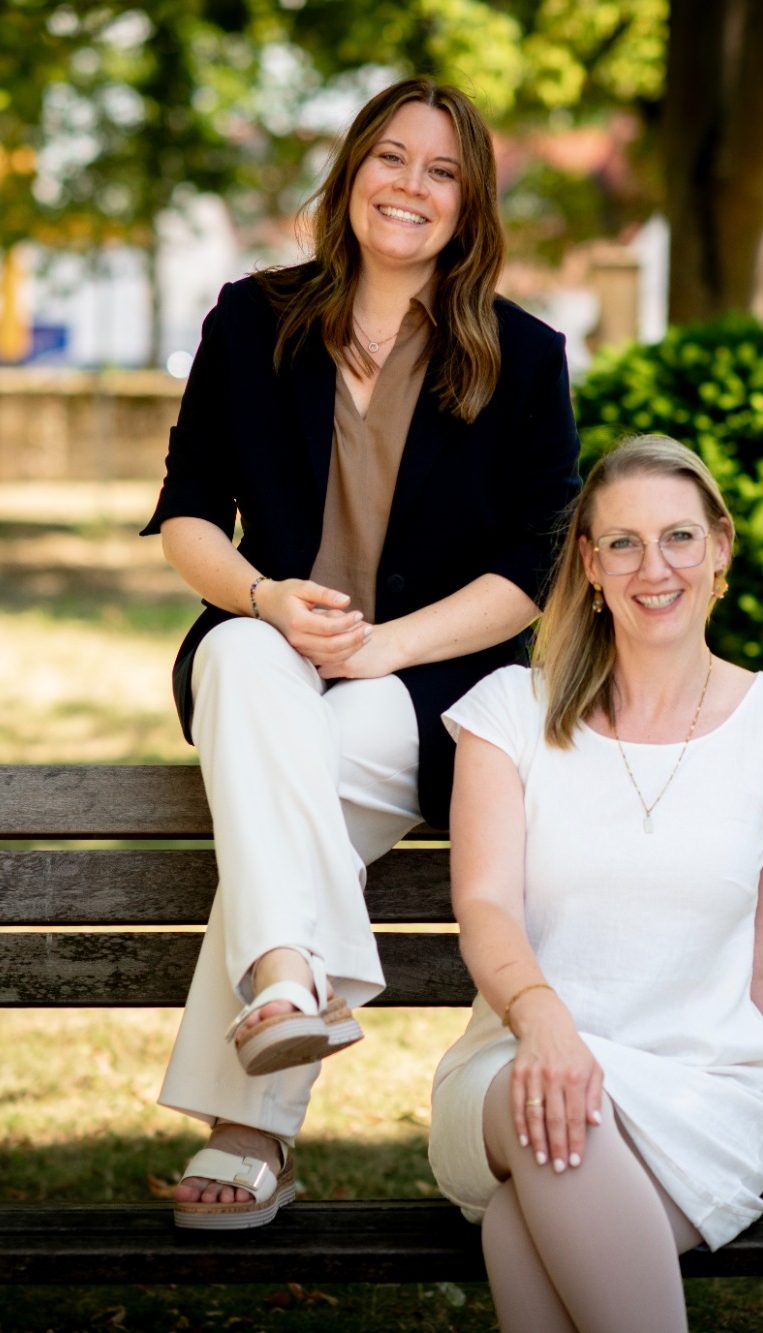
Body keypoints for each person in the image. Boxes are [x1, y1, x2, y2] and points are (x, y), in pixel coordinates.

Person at [140, 76, 579, 1230]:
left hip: (423, 677)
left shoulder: (522, 358)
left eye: (442, 172)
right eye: (392, 158)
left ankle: (252, 1113)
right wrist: (266, 599)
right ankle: (289, 976)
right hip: (266, 640)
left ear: (470, 207)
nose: (412, 187)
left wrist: (380, 646)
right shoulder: (252, 317)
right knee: (241, 663)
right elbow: (187, 512)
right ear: (351, 175)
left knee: (329, 747)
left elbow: (526, 577)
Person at [428, 436, 763, 1331]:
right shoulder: (509, 711)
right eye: (623, 543)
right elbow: (483, 905)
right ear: (590, 564)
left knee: (529, 1223)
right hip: (516, 1066)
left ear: (720, 549)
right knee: (558, 1110)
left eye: (678, 537)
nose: (653, 566)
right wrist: (547, 1025)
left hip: (699, 1092)